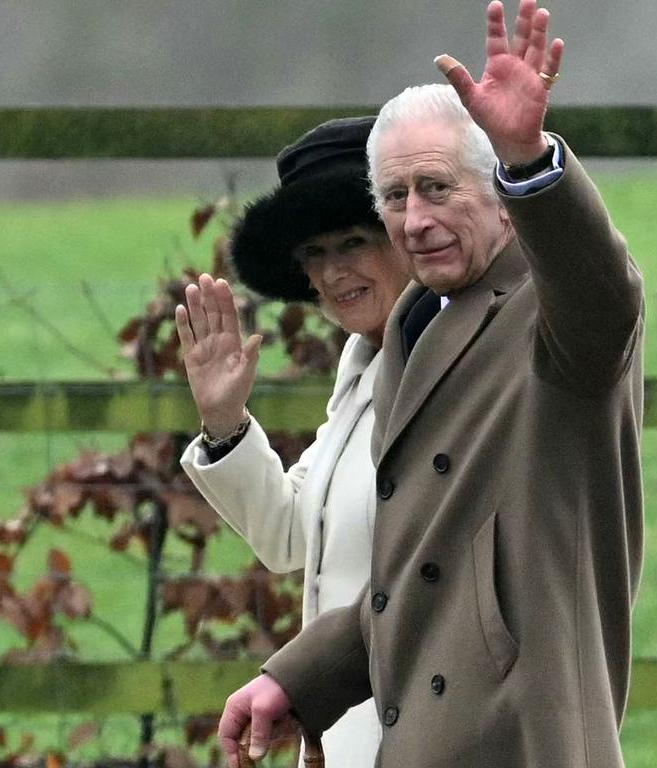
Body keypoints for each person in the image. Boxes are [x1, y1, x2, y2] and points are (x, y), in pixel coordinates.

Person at [217, 2, 645, 767]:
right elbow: (417, 577)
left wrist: (530, 162)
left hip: (525, 743)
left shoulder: (555, 316)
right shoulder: (414, 326)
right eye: (394, 198)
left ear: (500, 199)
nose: (413, 220)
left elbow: (604, 292)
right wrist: (297, 680)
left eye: (437, 189)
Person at [174, 117, 412, 767]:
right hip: (348, 730)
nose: (333, 272)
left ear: (407, 237)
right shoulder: (363, 365)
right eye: (314, 254)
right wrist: (225, 422)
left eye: (352, 242)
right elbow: (291, 536)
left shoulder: (460, 368)